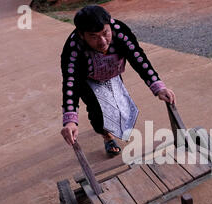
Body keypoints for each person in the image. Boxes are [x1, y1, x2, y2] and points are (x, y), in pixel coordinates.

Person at [60, 5, 176, 155]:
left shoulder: (120, 31)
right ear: (82, 35)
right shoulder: (73, 49)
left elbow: (138, 58)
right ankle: (107, 136)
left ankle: (111, 125)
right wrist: (70, 121)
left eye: (105, 33)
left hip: (112, 71)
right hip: (87, 80)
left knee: (121, 107)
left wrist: (158, 87)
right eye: (93, 37)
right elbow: (71, 83)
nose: (102, 42)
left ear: (110, 25)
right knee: (98, 112)